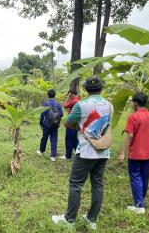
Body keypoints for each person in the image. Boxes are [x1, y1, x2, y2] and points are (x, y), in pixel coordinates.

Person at [52, 76, 113, 230]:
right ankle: (91, 219)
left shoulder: (81, 105)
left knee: (75, 184)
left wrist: (78, 127)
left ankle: (69, 219)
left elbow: (67, 123)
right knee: (98, 184)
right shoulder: (109, 105)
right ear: (101, 88)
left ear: (85, 89)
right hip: (103, 151)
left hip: (86, 151)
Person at [118, 92, 149, 214]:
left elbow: (129, 136)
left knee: (135, 177)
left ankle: (139, 206)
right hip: (148, 154)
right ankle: (138, 203)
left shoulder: (133, 117)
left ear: (135, 103)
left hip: (135, 154)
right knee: (144, 178)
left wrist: (122, 153)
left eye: (132, 102)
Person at [37, 89, 63, 162]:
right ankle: (53, 156)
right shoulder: (58, 104)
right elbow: (61, 114)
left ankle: (41, 151)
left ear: (48, 95)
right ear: (54, 95)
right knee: (54, 139)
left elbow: (42, 115)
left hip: (46, 124)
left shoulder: (45, 104)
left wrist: (41, 123)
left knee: (44, 137)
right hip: (55, 125)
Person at [60, 89, 81, 160]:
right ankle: (79, 152)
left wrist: (67, 98)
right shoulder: (78, 99)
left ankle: (68, 155)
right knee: (74, 138)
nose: (68, 95)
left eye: (69, 94)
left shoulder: (74, 101)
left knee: (68, 138)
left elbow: (65, 105)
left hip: (71, 122)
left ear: (72, 94)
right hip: (76, 122)